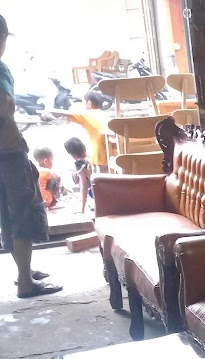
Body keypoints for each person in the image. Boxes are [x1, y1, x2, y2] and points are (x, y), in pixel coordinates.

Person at [0, 15, 61, 298]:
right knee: (23, 215)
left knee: (7, 215)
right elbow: (3, 106)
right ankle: (26, 281)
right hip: (8, 153)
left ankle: (24, 271)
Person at [56, 90, 110, 173]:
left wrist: (48, 111)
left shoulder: (87, 114)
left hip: (101, 153)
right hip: (113, 151)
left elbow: (65, 114)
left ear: (89, 103)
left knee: (104, 177)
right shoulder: (106, 115)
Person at [64, 137, 93, 214]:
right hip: (106, 188)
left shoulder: (80, 164)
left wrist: (82, 209)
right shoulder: (92, 157)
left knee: (75, 174)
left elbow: (84, 187)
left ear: (71, 154)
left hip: (97, 192)